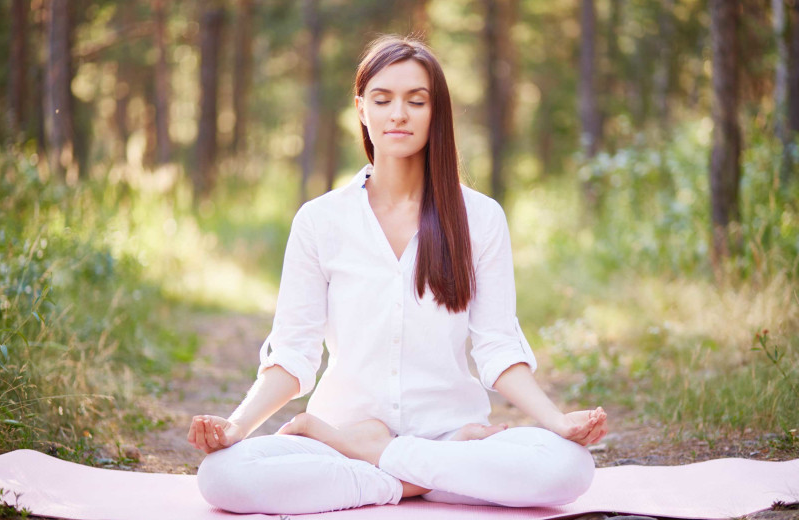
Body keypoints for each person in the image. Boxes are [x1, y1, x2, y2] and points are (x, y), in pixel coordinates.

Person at [187, 35, 608, 515]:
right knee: (223, 476)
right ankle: (417, 478)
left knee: (568, 468)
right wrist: (237, 427)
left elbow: (497, 346)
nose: (398, 114)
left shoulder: (481, 217)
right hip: (343, 433)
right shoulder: (320, 220)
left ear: (438, 113)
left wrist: (556, 421)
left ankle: (378, 463)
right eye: (382, 99)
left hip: (450, 433)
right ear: (362, 110)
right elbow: (293, 352)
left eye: (417, 101)